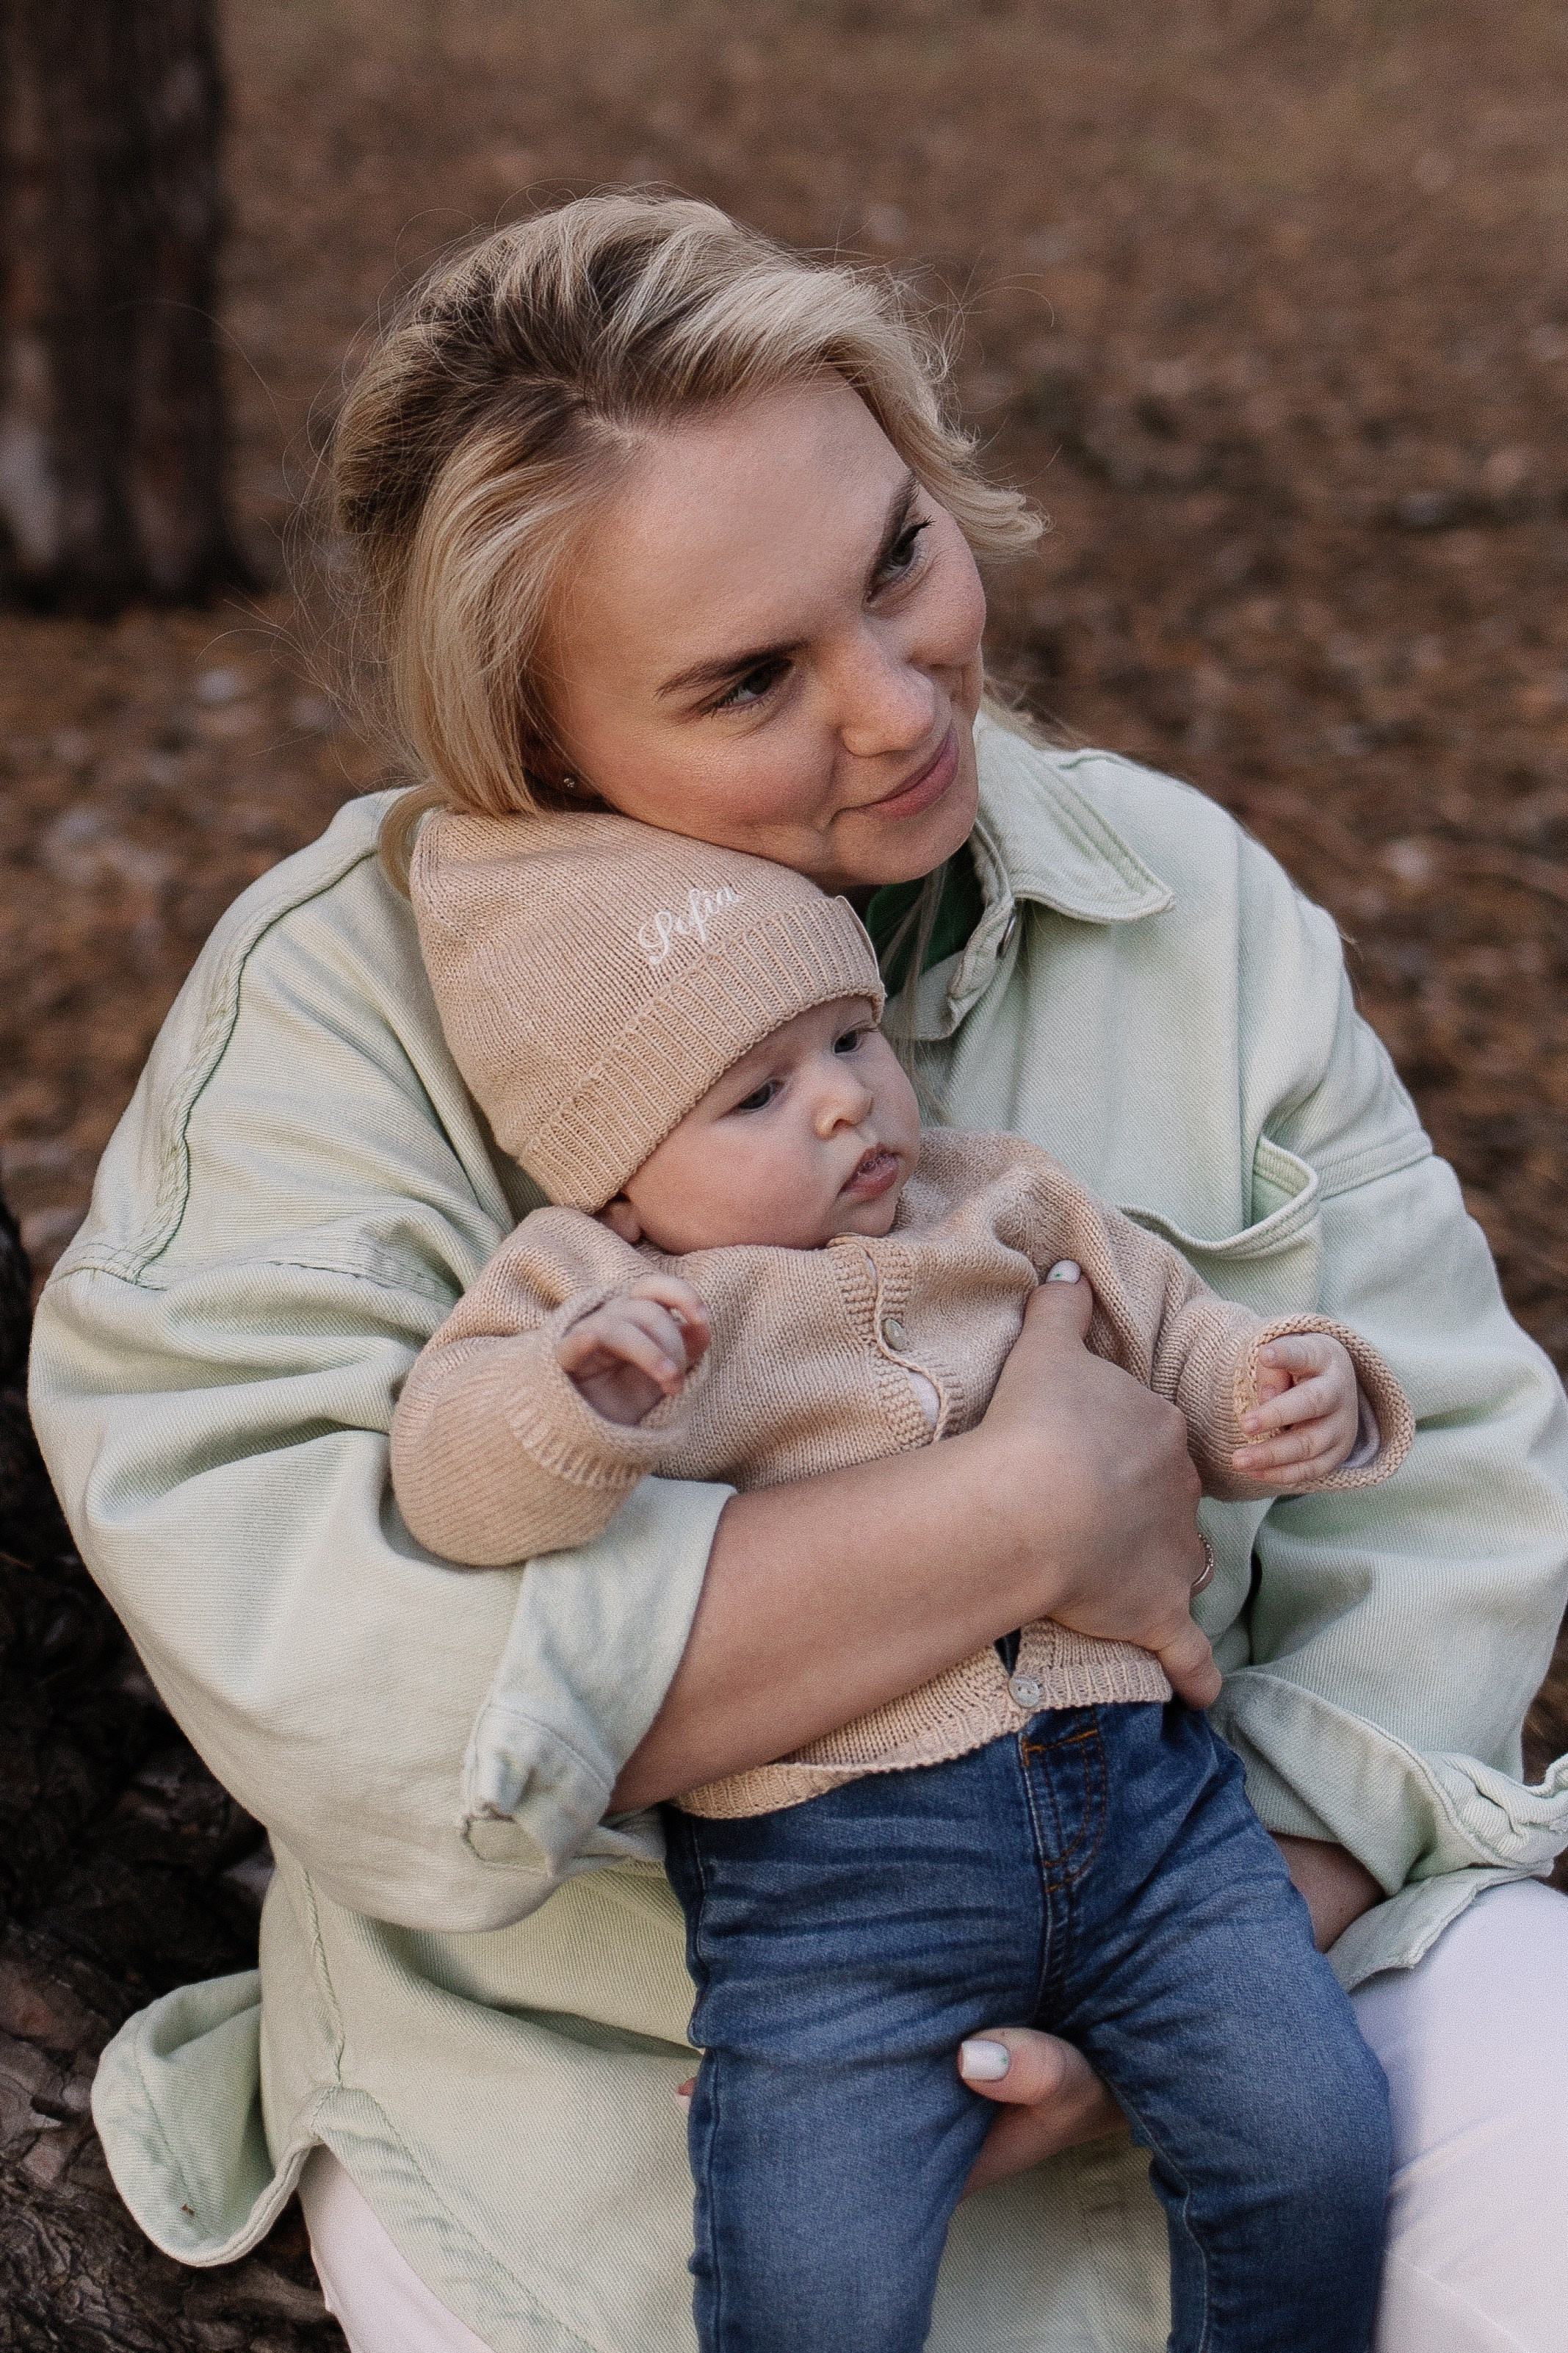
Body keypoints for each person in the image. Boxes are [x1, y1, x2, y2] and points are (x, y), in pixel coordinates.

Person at [26, 193, 1568, 2353]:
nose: (897, 702)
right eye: (751, 677)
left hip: (1234, 1913)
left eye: (900, 560)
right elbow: (315, 1644)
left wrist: (1238, 1943)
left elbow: (1458, 1488)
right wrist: (1024, 1515)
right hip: (608, 2086)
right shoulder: (332, 1014)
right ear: (541, 750)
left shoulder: (1183, 901)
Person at [389, 802, 1412, 2353]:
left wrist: (1287, 1386)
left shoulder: (1007, 1197)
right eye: (754, 1094)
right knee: (814, 2285)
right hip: (834, 1887)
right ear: (612, 1179)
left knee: (1314, 2148)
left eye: (848, 1042)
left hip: (1154, 1820)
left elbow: (1183, 1339)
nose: (843, 1108)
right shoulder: (617, 1294)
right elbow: (447, 1471)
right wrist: (567, 1399)